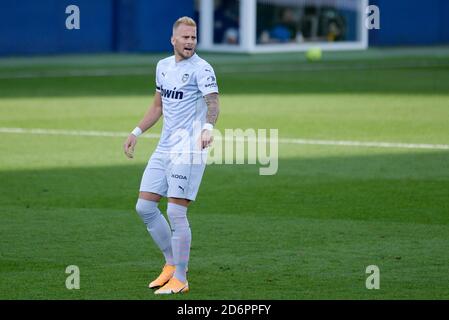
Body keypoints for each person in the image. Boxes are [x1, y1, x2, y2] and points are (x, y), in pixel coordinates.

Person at [123, 16, 220, 295]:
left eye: (194, 37)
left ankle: (181, 276)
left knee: (176, 212)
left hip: (189, 148)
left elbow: (213, 102)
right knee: (144, 207)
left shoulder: (202, 69)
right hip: (164, 147)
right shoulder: (162, 67)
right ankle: (170, 263)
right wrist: (136, 132)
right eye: (186, 37)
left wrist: (207, 127)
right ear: (173, 40)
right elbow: (157, 106)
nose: (190, 42)